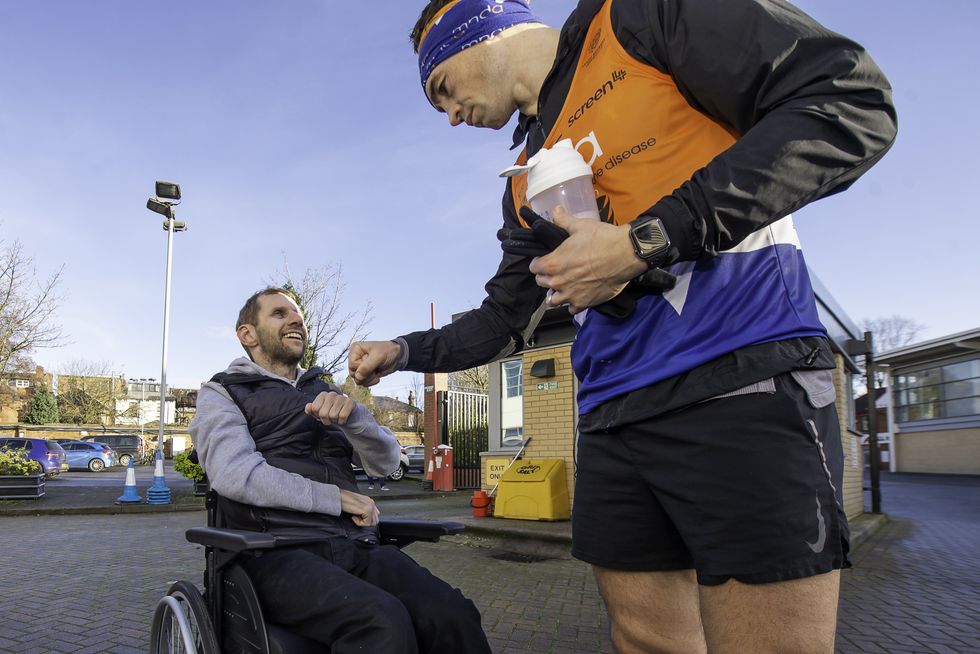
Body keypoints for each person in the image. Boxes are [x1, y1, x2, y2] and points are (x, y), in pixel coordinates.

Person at [348, 1, 897, 652]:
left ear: (482, 33)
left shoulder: (636, 18)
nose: (448, 114)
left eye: (442, 88)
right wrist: (403, 349)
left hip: (739, 374)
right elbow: (503, 320)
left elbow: (848, 101)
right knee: (643, 638)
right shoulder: (523, 180)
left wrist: (644, 242)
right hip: (610, 421)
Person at [189, 287, 490, 654]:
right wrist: (337, 499)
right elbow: (235, 474)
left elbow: (389, 462)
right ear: (247, 334)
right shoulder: (223, 393)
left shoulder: (326, 390)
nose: (296, 319)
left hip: (354, 545)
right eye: (279, 313)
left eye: (297, 314)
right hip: (273, 552)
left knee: (453, 614)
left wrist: (356, 420)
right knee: (382, 623)